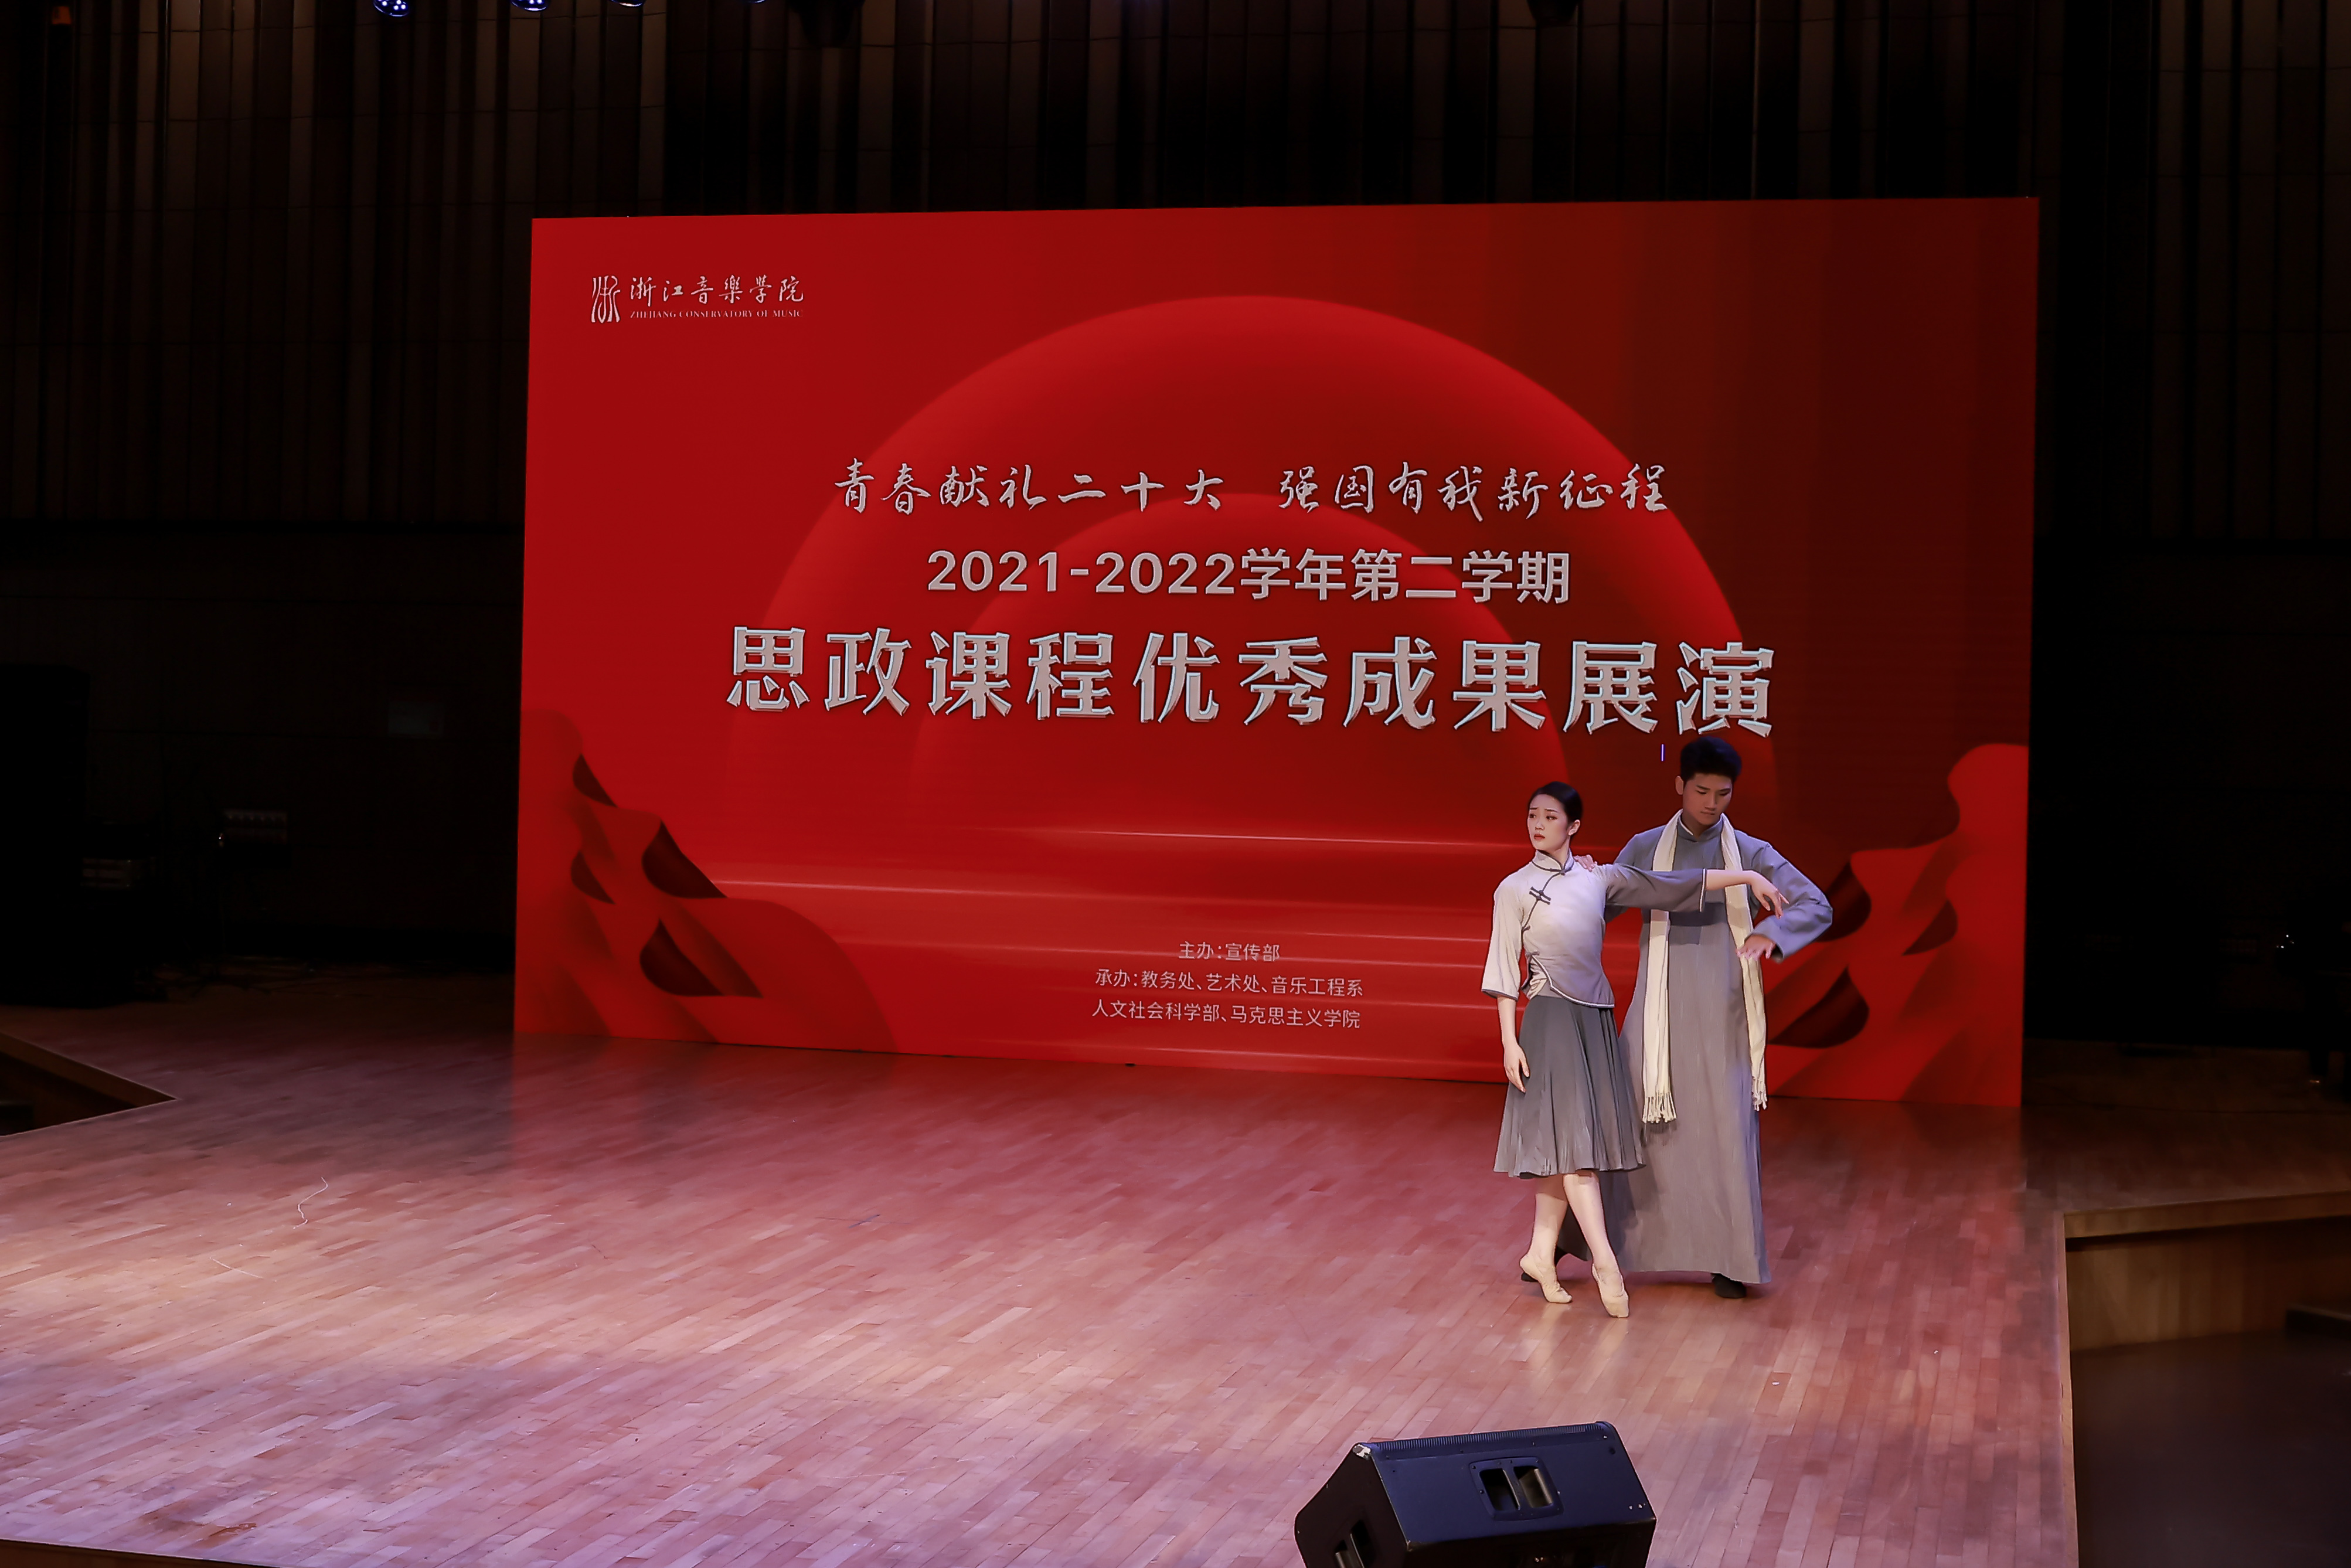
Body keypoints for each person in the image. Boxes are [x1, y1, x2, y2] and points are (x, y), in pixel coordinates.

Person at [1484, 781, 1787, 1317]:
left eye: (1550, 816)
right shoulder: (1513, 888)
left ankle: (1539, 1252)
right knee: (1577, 1152)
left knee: (1566, 1148)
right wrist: (1509, 1041)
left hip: (1596, 1021)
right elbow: (1504, 969)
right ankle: (1606, 1264)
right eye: (1532, 815)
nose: (1538, 825)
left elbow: (1674, 885)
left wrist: (1746, 875)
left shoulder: (1600, 878)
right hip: (1551, 1022)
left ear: (1574, 826)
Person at [1566, 737, 1831, 1298]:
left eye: (1723, 793)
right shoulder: (1646, 846)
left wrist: (1772, 932)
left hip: (1722, 1012)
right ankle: (1581, 1243)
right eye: (1702, 791)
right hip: (1657, 1011)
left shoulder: (1751, 853)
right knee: (1626, 1123)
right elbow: (1597, 905)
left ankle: (1727, 1259)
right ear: (1679, 785)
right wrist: (1577, 883)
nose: (1712, 803)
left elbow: (1815, 904)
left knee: (1723, 1133)